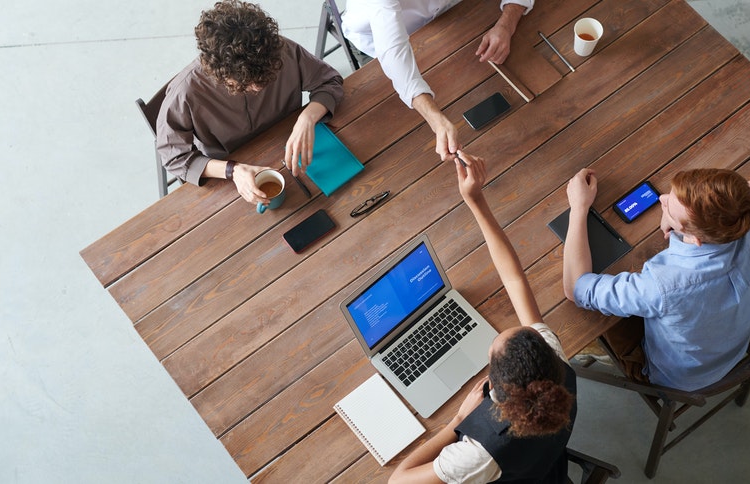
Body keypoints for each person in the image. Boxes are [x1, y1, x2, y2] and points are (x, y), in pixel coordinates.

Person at [389, 152, 576, 484]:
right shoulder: (557, 366)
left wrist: (457, 421)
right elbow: (516, 280)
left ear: (497, 392)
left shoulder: (478, 454)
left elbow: (398, 480)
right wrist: (475, 200)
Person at [562, 168, 750, 391]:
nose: (662, 198)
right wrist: (716, 210)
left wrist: (579, 208)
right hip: (731, 349)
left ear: (695, 238)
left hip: (674, 378)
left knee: (585, 324)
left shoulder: (662, 286)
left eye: (669, 208)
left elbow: (575, 288)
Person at [156, 0, 344, 206]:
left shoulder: (279, 50)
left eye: (266, 76)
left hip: (295, 153)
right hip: (231, 179)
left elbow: (329, 80)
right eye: (246, 82)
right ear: (219, 72)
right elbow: (173, 157)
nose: (258, 88)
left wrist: (308, 117)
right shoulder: (185, 92)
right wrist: (232, 170)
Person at [342, 0, 534, 161]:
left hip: (452, 12)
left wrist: (506, 24)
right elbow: (394, 53)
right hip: (379, 38)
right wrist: (436, 121)